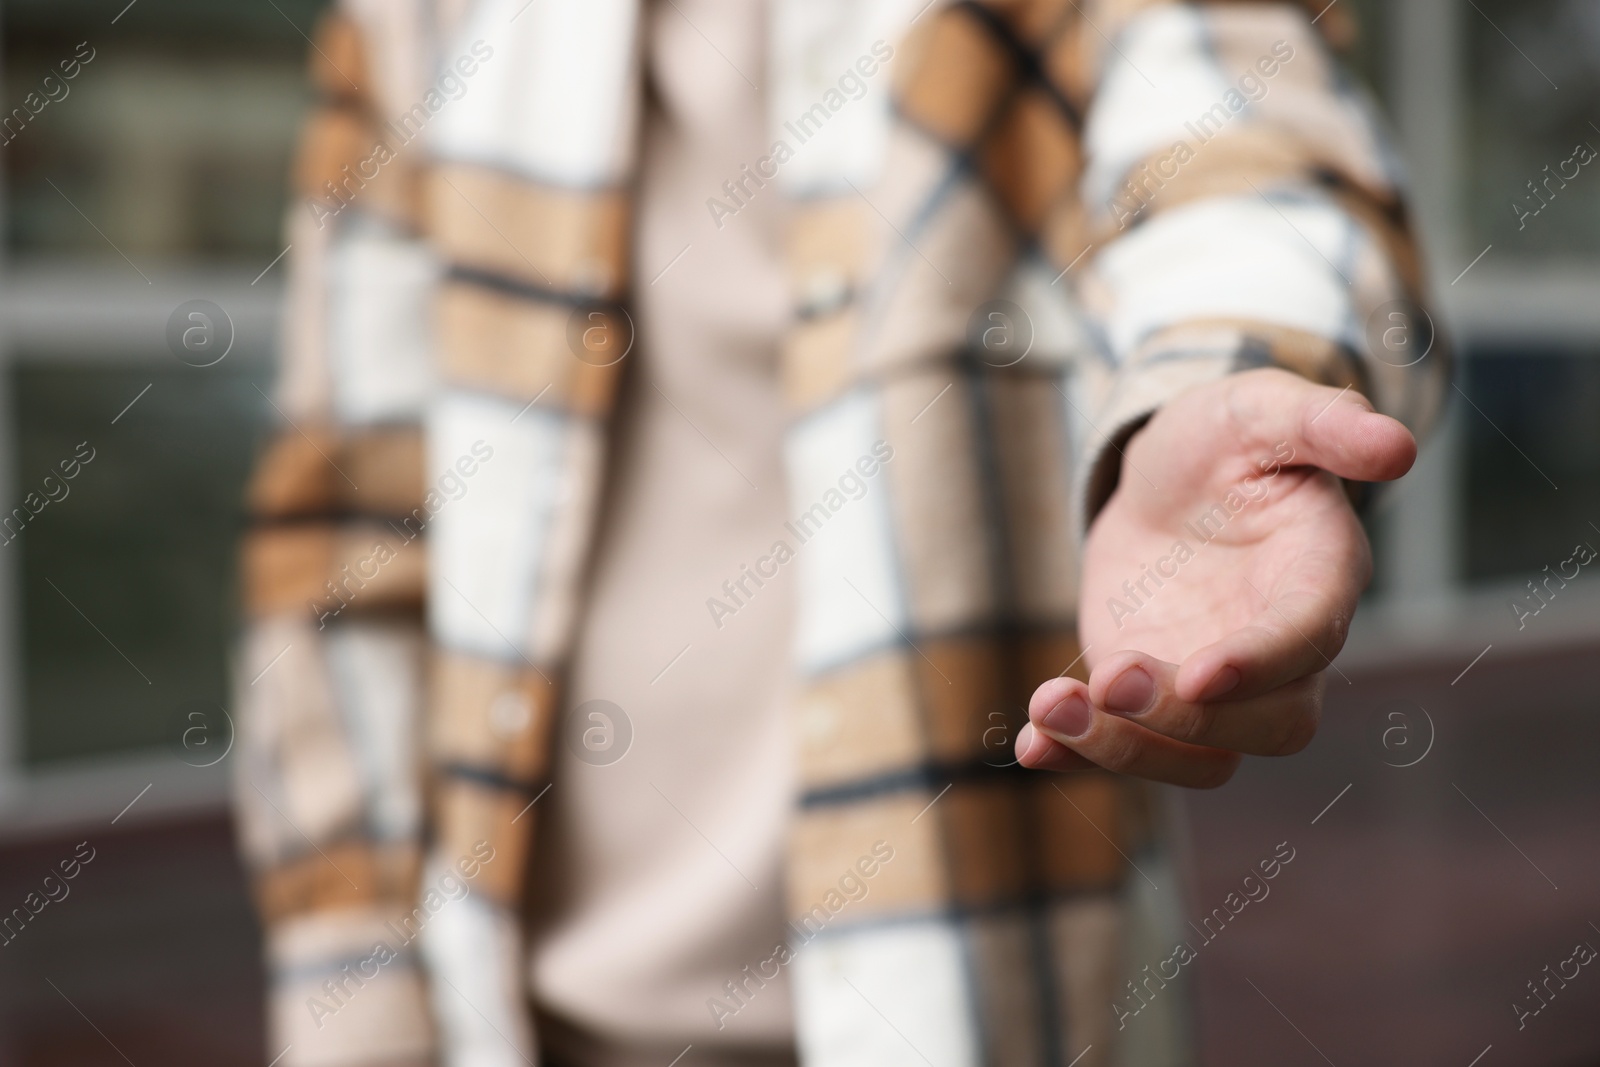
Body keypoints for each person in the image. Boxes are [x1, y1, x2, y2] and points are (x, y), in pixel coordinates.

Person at [232, 0, 1447, 1065]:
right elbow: (345, 540)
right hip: (507, 1023)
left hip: (973, 997)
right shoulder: (412, 23)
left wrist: (1211, 394)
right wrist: (356, 1007)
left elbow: (1255, 164)